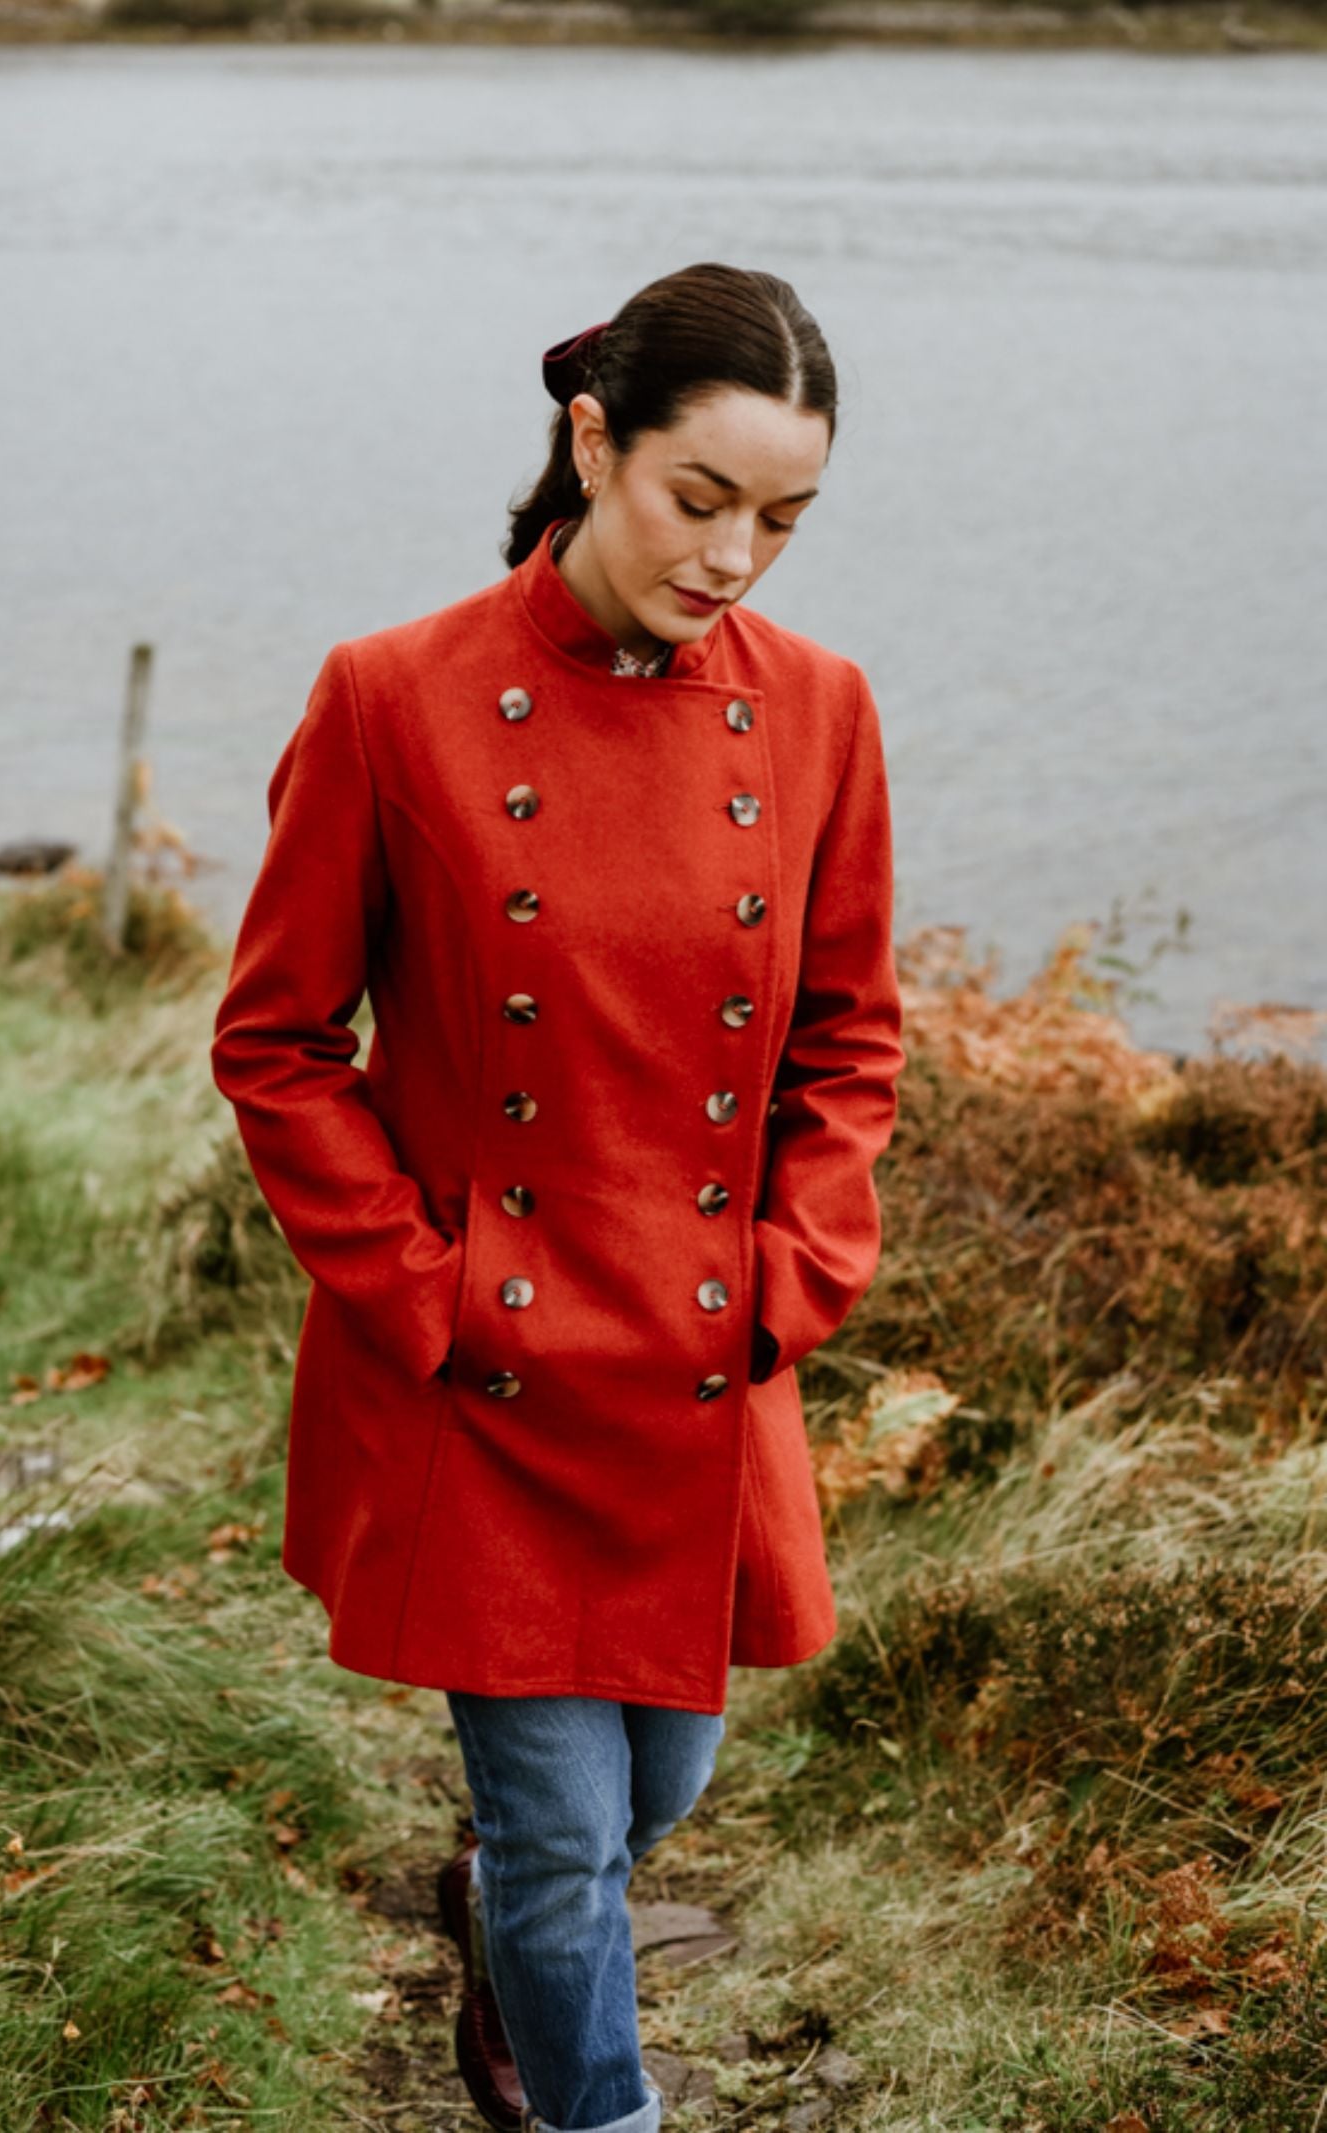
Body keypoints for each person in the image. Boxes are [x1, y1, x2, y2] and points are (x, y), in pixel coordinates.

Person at [210, 261, 905, 2133]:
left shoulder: (821, 713)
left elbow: (850, 1040)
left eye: (783, 518)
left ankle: (515, 1907)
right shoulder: (391, 699)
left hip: (698, 1358)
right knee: (565, 1830)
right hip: (485, 1373)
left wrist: (798, 1270)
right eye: (702, 501)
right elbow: (279, 1041)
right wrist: (422, 1290)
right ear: (592, 442)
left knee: (657, 1788)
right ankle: (593, 2090)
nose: (739, 556)